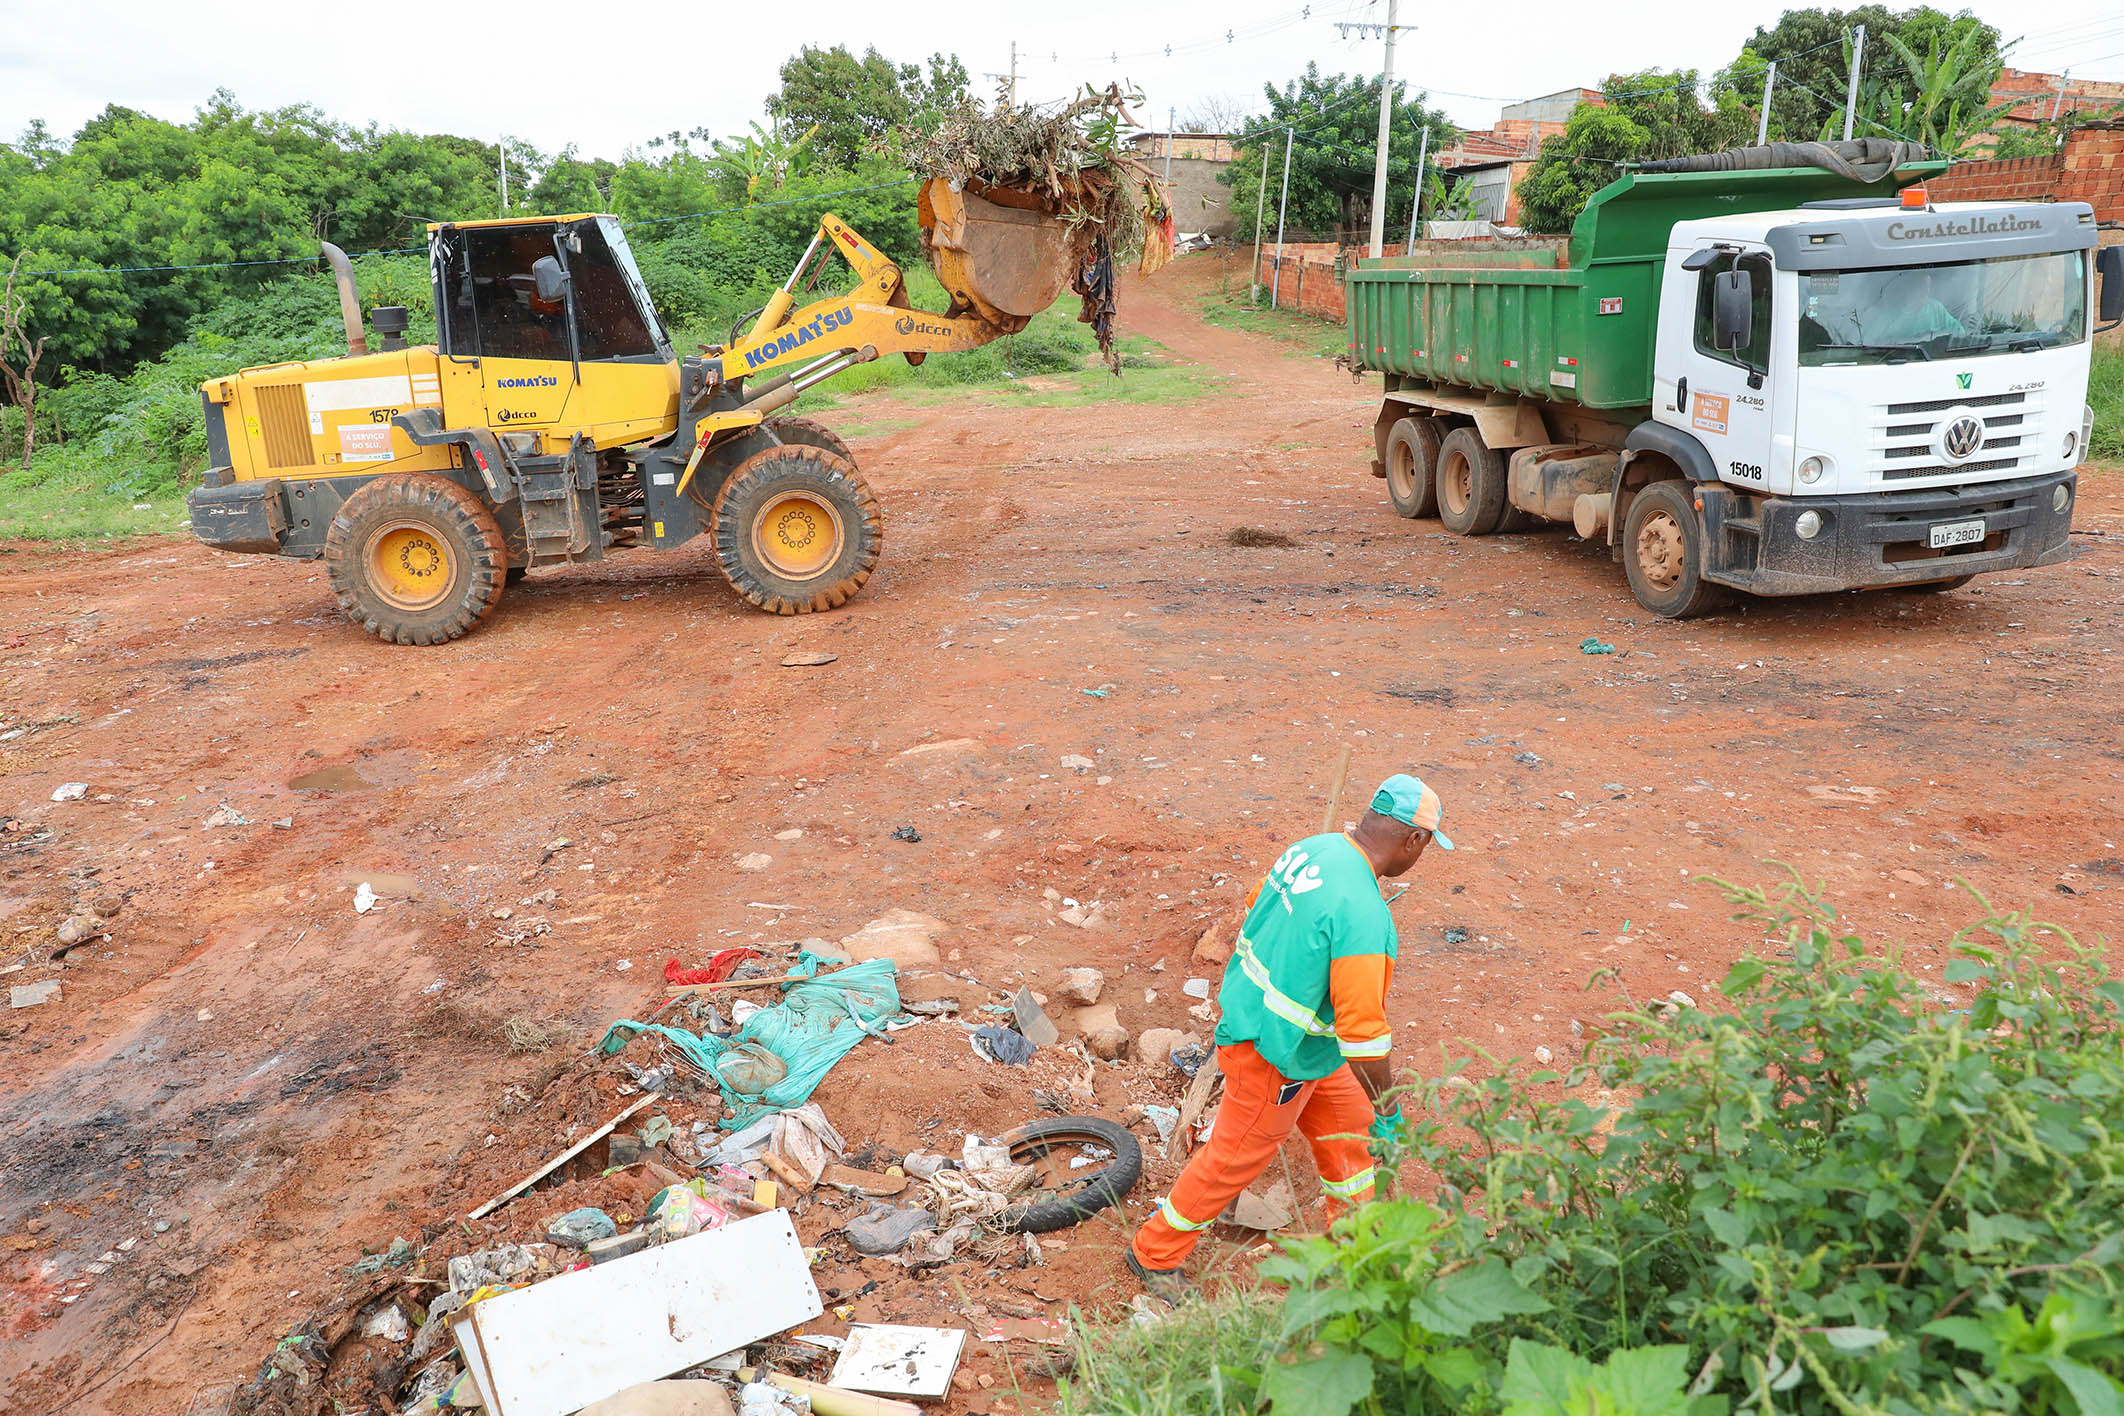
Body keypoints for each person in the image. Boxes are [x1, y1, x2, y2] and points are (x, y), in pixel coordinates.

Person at [1125, 774, 1453, 1300]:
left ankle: (1354, 1250)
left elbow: (1256, 906)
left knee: (1350, 1134)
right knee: (1234, 1157)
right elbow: (1364, 1035)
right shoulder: (1364, 914)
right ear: (1414, 840)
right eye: (1428, 844)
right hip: (1274, 1055)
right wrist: (1388, 1105)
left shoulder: (1314, 849)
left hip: (1299, 1044)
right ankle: (1154, 1253)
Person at [1868, 269, 1964, 346]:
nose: (1927, 292)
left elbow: (1959, 331)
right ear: (1910, 287)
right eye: (1923, 287)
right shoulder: (1889, 315)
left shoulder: (1935, 308)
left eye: (1929, 287)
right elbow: (1872, 343)